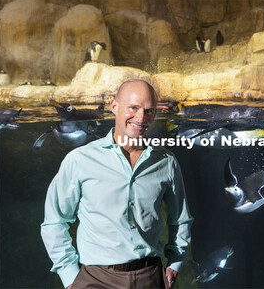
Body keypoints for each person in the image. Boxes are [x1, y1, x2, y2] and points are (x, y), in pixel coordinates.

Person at [41, 79, 193, 289]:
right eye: (133, 108)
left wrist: (176, 262)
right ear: (114, 106)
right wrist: (71, 277)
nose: (141, 118)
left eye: (148, 111)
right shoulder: (80, 159)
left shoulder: (166, 162)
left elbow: (181, 219)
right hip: (95, 278)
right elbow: (54, 222)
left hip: (151, 277)